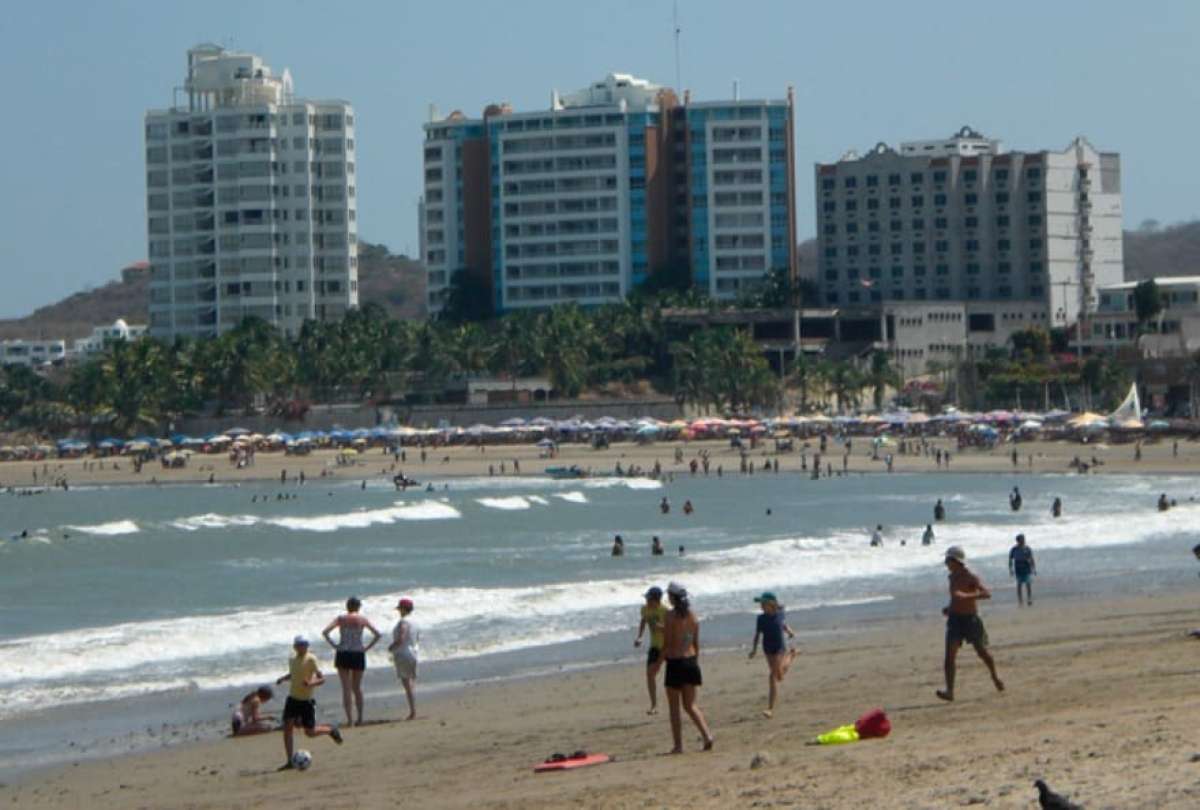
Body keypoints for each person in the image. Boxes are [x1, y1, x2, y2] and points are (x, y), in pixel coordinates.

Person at [937, 547, 1004, 702]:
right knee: (949, 657)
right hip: (954, 620)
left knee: (982, 652)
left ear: (956, 562)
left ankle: (995, 676)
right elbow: (956, 597)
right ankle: (950, 691)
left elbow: (986, 594)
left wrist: (967, 595)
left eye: (948, 560)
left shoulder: (970, 577)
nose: (946, 563)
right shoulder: (951, 577)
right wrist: (950, 607)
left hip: (970, 620)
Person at [275, 636, 342, 769]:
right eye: (299, 645)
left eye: (304, 644)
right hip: (293, 698)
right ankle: (289, 761)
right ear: (295, 646)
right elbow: (294, 674)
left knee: (309, 733)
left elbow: (322, 679)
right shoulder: (292, 659)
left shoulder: (311, 659)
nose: (302, 647)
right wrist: (283, 678)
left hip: (306, 701)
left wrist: (311, 683)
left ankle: (329, 730)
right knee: (287, 728)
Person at [661, 582, 714, 752]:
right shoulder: (693, 616)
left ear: (672, 597)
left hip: (676, 662)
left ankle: (678, 745)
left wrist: (657, 663)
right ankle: (707, 735)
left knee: (674, 709)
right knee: (690, 705)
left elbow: (668, 644)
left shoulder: (670, 616)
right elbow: (695, 643)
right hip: (691, 661)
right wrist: (695, 661)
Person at [321, 597, 382, 726]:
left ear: (347, 606)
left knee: (346, 688)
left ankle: (349, 720)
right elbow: (377, 634)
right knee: (357, 687)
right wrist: (367, 648)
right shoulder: (362, 619)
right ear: (358, 607)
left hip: (343, 652)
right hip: (358, 652)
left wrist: (335, 645)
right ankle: (360, 718)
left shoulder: (341, 619)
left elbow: (325, 632)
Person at [748, 592, 797, 718]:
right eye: (761, 604)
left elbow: (783, 624)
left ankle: (770, 709)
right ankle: (792, 655)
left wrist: (789, 631)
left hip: (779, 648)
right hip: (767, 649)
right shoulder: (761, 618)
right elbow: (757, 635)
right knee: (779, 676)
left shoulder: (780, 613)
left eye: (763, 604)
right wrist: (754, 650)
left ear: (771, 604)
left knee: (772, 677)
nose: (761, 606)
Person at [634, 587, 668, 715]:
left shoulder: (665, 611)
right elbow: (644, 621)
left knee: (675, 675)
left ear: (656, 600)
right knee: (650, 674)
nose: (646, 601)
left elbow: (673, 629)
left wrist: (662, 627)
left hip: (668, 646)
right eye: (646, 598)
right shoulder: (645, 609)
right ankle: (654, 705)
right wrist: (640, 637)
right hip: (655, 646)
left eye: (649, 599)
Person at [388, 598, 420, 720]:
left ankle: (413, 711)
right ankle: (413, 710)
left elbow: (401, 637)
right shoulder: (416, 622)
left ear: (402, 609)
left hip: (403, 653)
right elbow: (417, 639)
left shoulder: (403, 622)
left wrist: (392, 647)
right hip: (413, 653)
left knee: (407, 684)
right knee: (411, 683)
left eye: (399, 609)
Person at [1009, 534, 1037, 606]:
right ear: (1018, 541)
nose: (1023, 541)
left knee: (1028, 584)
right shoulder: (1014, 549)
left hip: (1026, 568)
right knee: (1019, 585)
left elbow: (1031, 559)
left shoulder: (1027, 548)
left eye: (1023, 539)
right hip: (1018, 569)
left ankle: (1029, 599)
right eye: (1021, 540)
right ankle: (1020, 600)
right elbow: (1010, 559)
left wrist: (1034, 568)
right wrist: (1011, 569)